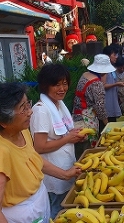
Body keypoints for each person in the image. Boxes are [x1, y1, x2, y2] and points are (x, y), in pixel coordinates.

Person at [0, 82, 82, 223]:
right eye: (23, 108)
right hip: (20, 214)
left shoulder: (23, 131)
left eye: (28, 104)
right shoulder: (2, 151)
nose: (30, 111)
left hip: (39, 200)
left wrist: (65, 174)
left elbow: (33, 159)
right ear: (3, 122)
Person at [29, 63, 85, 219]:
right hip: (55, 173)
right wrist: (68, 138)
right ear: (46, 85)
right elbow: (39, 147)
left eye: (65, 83)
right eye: (56, 84)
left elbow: (60, 134)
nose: (62, 88)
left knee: (67, 208)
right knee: (58, 210)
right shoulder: (41, 110)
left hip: (66, 167)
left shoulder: (57, 104)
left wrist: (73, 135)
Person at [72, 54, 116, 158]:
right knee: (88, 153)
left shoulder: (85, 75)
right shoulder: (97, 83)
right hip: (86, 120)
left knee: (80, 151)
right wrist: (107, 124)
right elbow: (100, 107)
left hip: (76, 117)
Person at [100, 45, 124, 132]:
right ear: (108, 56)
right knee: (108, 128)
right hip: (107, 102)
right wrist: (116, 84)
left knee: (113, 125)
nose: (116, 57)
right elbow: (102, 86)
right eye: (114, 54)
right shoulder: (104, 68)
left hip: (112, 100)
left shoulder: (111, 68)